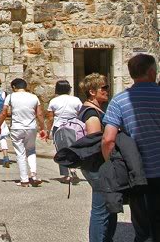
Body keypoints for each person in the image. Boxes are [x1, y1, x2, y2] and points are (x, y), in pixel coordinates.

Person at [102, 53, 160, 242]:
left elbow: (108, 139)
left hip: (139, 173)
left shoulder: (118, 101)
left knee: (143, 230)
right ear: (152, 72)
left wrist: (111, 166)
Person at [77, 72, 117, 242]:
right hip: (98, 165)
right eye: (104, 87)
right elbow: (95, 143)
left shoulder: (93, 110)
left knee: (108, 206)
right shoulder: (92, 114)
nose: (107, 90)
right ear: (92, 91)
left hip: (94, 166)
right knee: (101, 210)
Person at [0, 78, 47, 187]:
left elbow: (4, 113)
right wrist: (43, 128)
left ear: (14, 87)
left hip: (17, 127)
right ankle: (33, 174)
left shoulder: (10, 97)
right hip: (31, 127)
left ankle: (24, 179)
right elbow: (39, 114)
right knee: (31, 150)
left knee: (20, 153)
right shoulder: (34, 97)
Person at [47, 79, 82, 183]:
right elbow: (80, 114)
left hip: (59, 127)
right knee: (73, 148)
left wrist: (48, 130)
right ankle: (73, 168)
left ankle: (65, 175)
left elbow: (50, 118)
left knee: (61, 151)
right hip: (73, 127)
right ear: (68, 89)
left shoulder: (53, 101)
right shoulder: (76, 100)